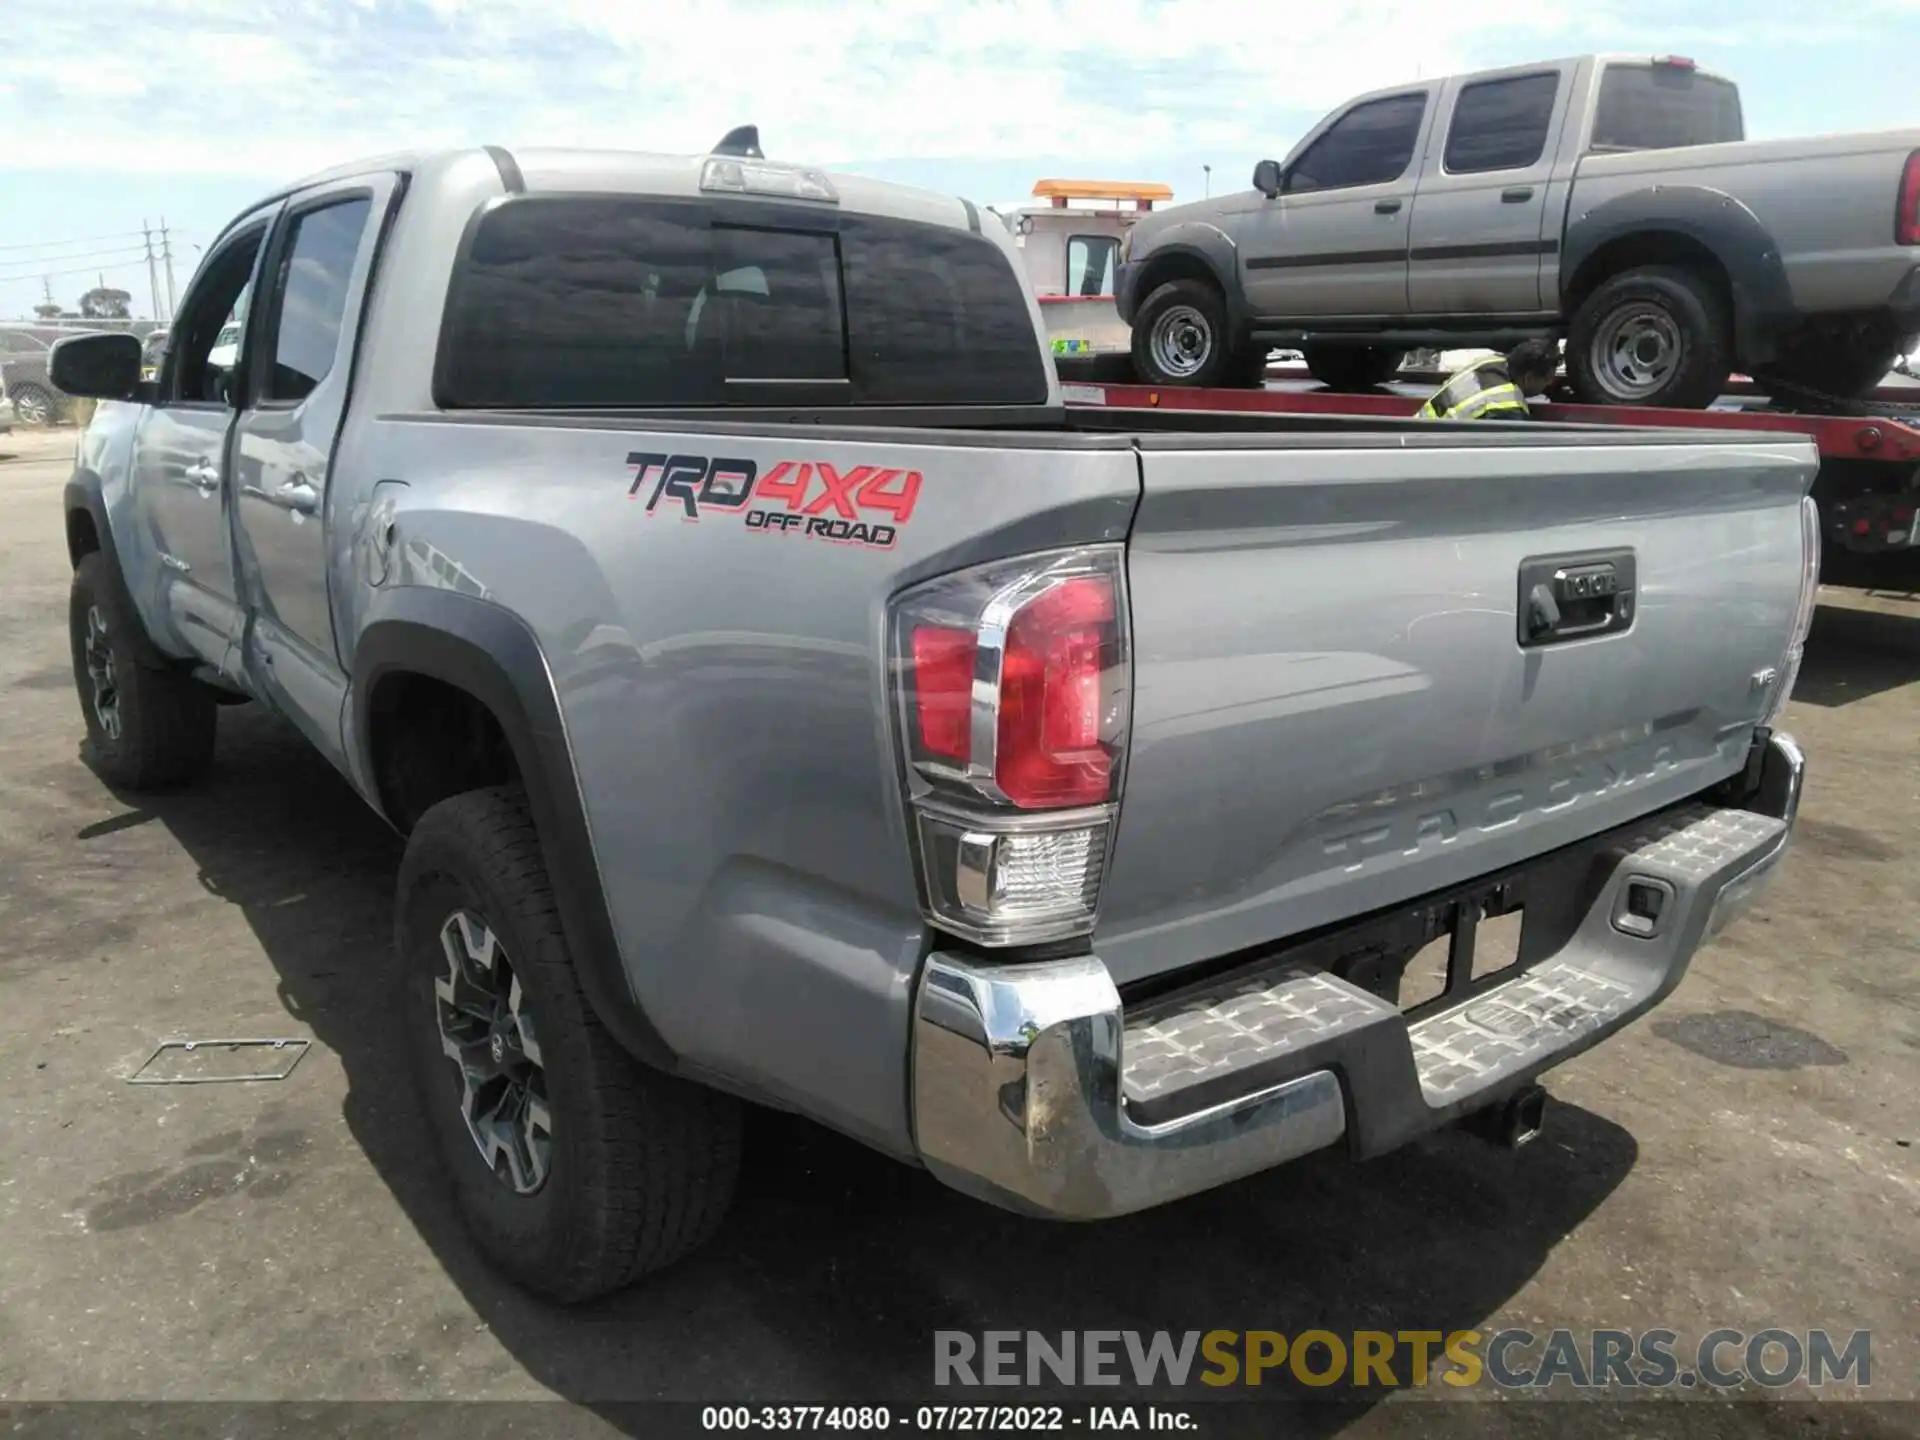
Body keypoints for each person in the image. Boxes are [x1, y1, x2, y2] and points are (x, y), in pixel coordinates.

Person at [1415, 339, 1562, 420]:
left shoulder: (1489, 362)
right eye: (1548, 378)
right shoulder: (1506, 407)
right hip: (1432, 447)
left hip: (1420, 430)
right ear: (1528, 378)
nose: (1550, 383)